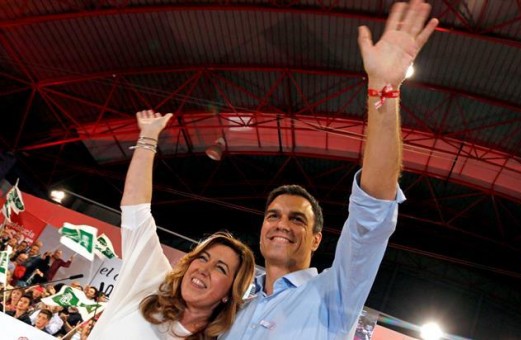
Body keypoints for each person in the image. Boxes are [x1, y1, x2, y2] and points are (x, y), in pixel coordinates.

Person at [218, 1, 438, 339]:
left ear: (317, 239)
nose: (281, 224)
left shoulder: (333, 295)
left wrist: (384, 89)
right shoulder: (236, 313)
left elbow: (372, 216)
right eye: (273, 215)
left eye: (297, 219)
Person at [89, 110, 256, 339]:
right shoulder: (152, 280)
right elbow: (135, 210)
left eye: (220, 268)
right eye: (202, 258)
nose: (203, 269)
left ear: (229, 292)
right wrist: (149, 135)